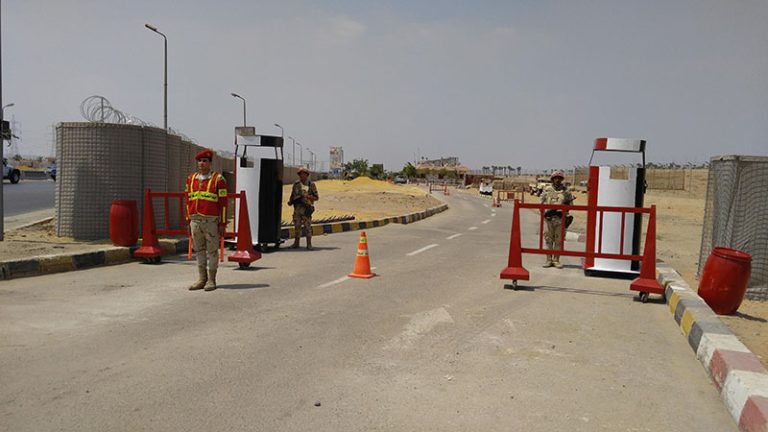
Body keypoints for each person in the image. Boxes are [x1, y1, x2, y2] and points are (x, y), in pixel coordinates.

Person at [185, 149, 228, 291]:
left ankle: (211, 280)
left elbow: (223, 204)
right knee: (199, 250)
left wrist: (222, 223)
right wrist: (188, 220)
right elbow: (187, 200)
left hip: (211, 222)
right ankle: (201, 279)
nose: (201, 163)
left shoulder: (218, 180)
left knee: (212, 251)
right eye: (200, 161)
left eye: (205, 161)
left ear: (210, 163)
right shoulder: (191, 179)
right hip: (195, 221)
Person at [540, 170, 574, 269]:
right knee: (548, 240)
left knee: (558, 240)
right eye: (555, 178)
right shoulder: (547, 190)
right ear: (552, 179)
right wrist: (545, 214)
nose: (557, 180)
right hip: (548, 219)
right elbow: (541, 203)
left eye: (559, 178)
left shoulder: (566, 192)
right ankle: (548, 260)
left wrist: (565, 210)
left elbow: (571, 206)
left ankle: (556, 260)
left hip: (560, 218)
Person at [288, 166, 319, 250]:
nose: (302, 176)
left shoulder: (311, 185)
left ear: (307, 175)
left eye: (303, 174)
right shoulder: (296, 184)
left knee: (307, 227)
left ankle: (309, 244)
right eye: (300, 174)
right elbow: (293, 194)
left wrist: (307, 197)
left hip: (306, 209)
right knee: (297, 226)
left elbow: (316, 197)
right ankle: (296, 243)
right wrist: (290, 201)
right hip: (297, 209)